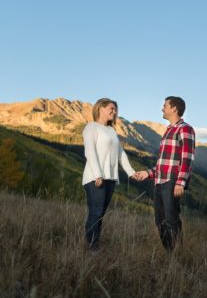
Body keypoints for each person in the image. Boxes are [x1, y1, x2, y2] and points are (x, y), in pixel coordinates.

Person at [132, 96, 195, 251]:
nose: (162, 108)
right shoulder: (169, 130)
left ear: (174, 109)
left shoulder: (185, 129)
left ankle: (178, 254)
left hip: (172, 181)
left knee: (171, 219)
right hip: (160, 181)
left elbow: (187, 158)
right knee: (159, 220)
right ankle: (169, 252)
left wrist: (180, 182)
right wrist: (148, 173)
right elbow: (164, 163)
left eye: (165, 105)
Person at [82, 98, 138, 251]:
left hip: (110, 178)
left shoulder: (111, 131)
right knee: (96, 211)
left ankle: (94, 244)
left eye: (115, 110)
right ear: (100, 108)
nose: (114, 112)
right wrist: (98, 175)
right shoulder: (91, 127)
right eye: (111, 109)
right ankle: (92, 247)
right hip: (95, 178)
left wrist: (131, 172)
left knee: (100, 214)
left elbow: (121, 154)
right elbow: (90, 151)